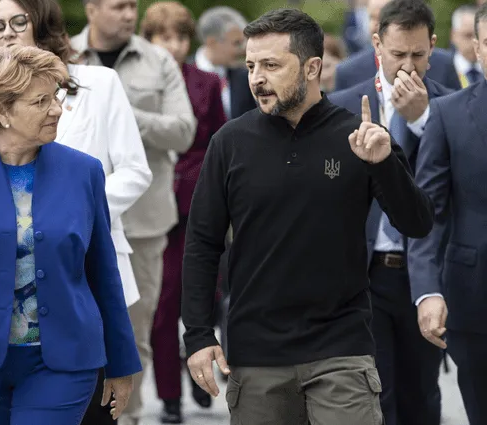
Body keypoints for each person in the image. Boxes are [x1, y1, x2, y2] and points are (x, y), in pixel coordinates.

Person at [182, 8, 434, 425]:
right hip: (256, 355)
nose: (256, 78)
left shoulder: (361, 135)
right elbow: (202, 243)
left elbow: (418, 223)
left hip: (342, 349)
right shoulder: (229, 142)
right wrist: (197, 335)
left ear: (313, 66)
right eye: (250, 66)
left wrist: (384, 164)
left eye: (271, 65)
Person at [0, 44, 142, 424]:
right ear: (2, 111)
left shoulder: (85, 172)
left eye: (56, 97)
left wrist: (121, 361)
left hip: (65, 359)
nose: (57, 109)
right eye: (40, 101)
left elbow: (102, 271)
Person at [0, 0, 152, 423]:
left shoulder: (100, 83)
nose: (7, 32)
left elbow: (136, 171)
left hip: (87, 270)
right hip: (13, 290)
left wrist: (74, 214)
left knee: (96, 411)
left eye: (18, 21)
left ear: (42, 20)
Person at [328, 1, 452, 424]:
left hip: (425, 273)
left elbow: (447, 186)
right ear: (377, 43)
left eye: (418, 55)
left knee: (422, 395)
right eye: (398, 54)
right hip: (364, 272)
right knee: (374, 393)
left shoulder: (447, 107)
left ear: (433, 47)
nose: (407, 66)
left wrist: (422, 122)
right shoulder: (344, 101)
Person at [73, 2, 197, 423]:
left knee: (132, 332)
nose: (129, 14)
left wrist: (122, 111)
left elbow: (184, 129)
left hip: (143, 223)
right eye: (118, 5)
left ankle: (128, 415)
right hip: (73, 222)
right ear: (91, 8)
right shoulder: (66, 58)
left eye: (133, 6)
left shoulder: (158, 60)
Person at [139, 2, 227, 423]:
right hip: (151, 207)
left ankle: (199, 365)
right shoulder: (135, 84)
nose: (173, 46)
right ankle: (170, 396)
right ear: (149, 40)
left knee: (206, 297)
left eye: (179, 37)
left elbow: (218, 145)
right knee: (163, 302)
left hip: (198, 204)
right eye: (163, 37)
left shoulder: (207, 83)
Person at [408, 4, 487, 424]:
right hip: (474, 302)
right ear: (476, 47)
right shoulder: (448, 113)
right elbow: (428, 214)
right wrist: (427, 290)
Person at [334, 0, 461, 91]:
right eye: (372, 17)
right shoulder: (347, 71)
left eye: (385, 19)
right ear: (377, 43)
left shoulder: (443, 63)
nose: (376, 26)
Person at [192, 6, 254, 120]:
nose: (242, 49)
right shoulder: (185, 74)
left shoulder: (244, 77)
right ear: (212, 42)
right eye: (236, 43)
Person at [450, 5, 482, 88]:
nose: (474, 42)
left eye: (479, 36)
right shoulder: (443, 70)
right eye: (468, 35)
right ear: (453, 35)